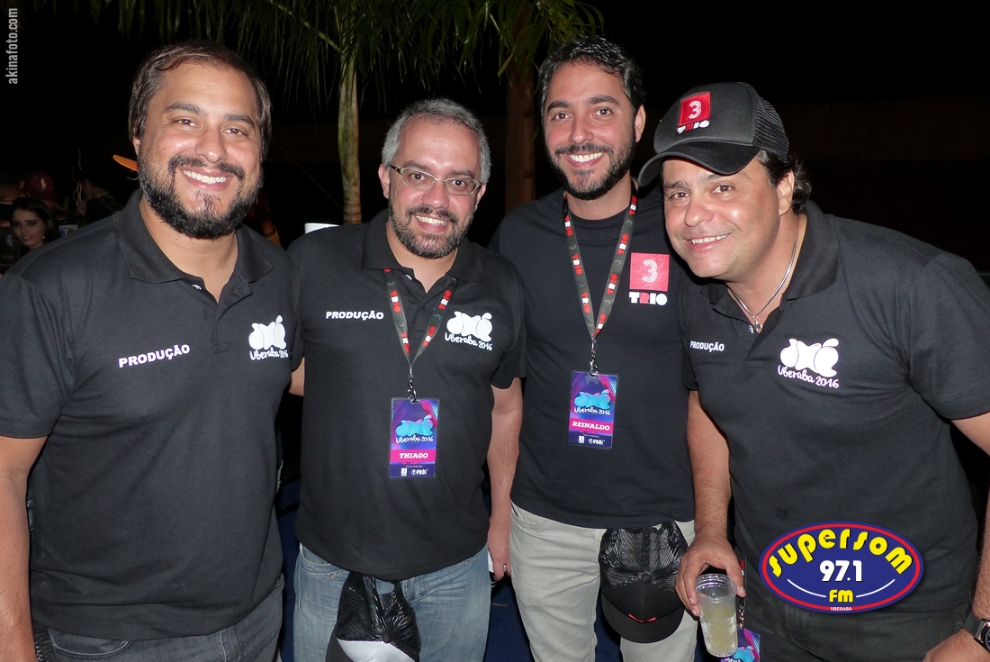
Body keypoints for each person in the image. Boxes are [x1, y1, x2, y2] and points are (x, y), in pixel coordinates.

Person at [638, 81, 990, 661]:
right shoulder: (697, 295)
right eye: (678, 193)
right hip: (767, 606)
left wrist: (982, 632)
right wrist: (711, 530)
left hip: (906, 622)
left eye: (722, 186)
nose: (693, 215)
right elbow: (707, 401)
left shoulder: (912, 286)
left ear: (783, 187)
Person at [0, 41, 298, 662]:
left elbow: (305, 374)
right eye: (186, 120)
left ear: (260, 151)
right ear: (139, 135)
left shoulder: (280, 275)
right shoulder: (52, 287)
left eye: (237, 128)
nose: (213, 149)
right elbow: (4, 474)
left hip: (260, 616)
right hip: (107, 640)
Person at [288, 98, 525, 662]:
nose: (437, 200)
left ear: (479, 194)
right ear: (385, 178)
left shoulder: (502, 283)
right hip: (333, 565)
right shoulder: (314, 262)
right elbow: (278, 370)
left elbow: (505, 408)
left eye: (458, 182)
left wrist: (501, 521)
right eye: (418, 175)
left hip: (456, 568)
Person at [490, 36, 697, 662]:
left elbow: (714, 389)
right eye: (561, 113)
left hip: (663, 521)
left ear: (637, 122)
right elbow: (504, 392)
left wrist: (713, 525)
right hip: (544, 521)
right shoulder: (517, 236)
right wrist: (500, 515)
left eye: (601, 110)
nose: (579, 133)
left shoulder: (685, 229)